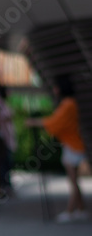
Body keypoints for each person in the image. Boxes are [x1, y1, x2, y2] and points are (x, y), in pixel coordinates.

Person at [26, 75, 88, 222]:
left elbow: (55, 122)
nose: (54, 90)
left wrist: (34, 122)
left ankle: (71, 211)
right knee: (75, 181)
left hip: (73, 146)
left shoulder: (68, 104)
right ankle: (80, 209)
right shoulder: (71, 103)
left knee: (73, 181)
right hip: (73, 145)